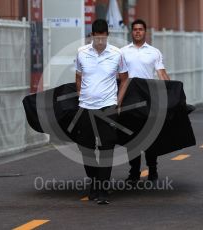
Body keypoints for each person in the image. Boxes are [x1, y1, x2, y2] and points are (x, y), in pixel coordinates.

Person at [75, 19, 129, 204]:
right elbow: (78, 76)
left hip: (108, 106)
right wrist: (81, 95)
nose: (99, 41)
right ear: (92, 36)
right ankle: (95, 180)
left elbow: (124, 79)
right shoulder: (81, 53)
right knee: (86, 148)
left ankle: (103, 190)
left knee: (107, 147)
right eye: (96, 37)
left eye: (102, 37)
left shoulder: (116, 54)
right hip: (86, 106)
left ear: (107, 35)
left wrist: (118, 102)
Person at [121, 19, 170, 185]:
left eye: (140, 29)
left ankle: (153, 169)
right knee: (132, 138)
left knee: (150, 137)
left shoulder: (154, 52)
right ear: (131, 32)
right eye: (135, 29)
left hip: (148, 100)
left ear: (145, 32)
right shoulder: (122, 52)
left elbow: (162, 74)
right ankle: (134, 172)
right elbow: (116, 75)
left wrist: (171, 92)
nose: (137, 32)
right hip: (128, 101)